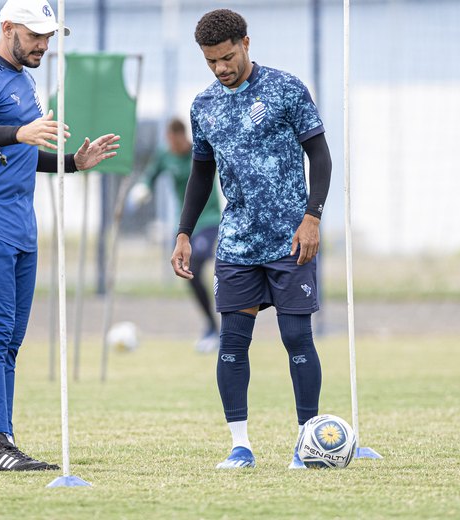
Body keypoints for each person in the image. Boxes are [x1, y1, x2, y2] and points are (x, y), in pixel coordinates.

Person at [0, 0, 120, 472]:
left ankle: (5, 441)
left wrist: (72, 163)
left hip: (22, 226)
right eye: (36, 35)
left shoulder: (25, 80)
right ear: (8, 28)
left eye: (49, 36)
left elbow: (25, 150)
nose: (45, 45)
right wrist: (20, 132)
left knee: (11, 340)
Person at [170, 9, 333, 470]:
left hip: (291, 240)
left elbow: (320, 156)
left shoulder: (286, 88)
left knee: (297, 337)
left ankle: (308, 443)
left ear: (245, 42)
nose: (220, 68)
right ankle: (240, 445)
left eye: (226, 57)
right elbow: (201, 174)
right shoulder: (203, 106)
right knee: (231, 344)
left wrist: (312, 218)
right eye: (210, 62)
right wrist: (183, 232)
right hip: (237, 245)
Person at [130, 118, 222, 353]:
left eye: (176, 141)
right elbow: (150, 175)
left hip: (209, 219)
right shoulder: (164, 155)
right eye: (169, 141)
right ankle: (212, 326)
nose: (173, 145)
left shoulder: (199, 151)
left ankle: (223, 325)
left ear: (183, 137)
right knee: (190, 274)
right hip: (185, 225)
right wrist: (142, 188)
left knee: (199, 262)